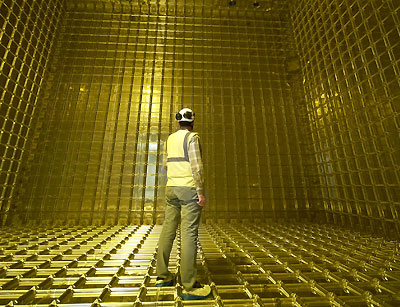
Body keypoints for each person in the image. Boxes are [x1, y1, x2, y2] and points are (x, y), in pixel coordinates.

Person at [155, 108, 211, 300]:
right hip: (189, 189)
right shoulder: (192, 138)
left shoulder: (170, 139)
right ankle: (189, 286)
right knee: (189, 234)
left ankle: (162, 276)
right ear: (192, 122)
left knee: (168, 230)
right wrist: (200, 192)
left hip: (171, 188)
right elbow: (197, 167)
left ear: (178, 121)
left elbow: (165, 165)